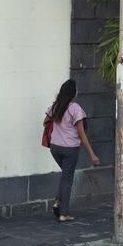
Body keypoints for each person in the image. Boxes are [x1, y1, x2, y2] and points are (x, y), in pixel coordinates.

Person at [44, 79, 100, 222]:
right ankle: (63, 213)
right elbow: (81, 134)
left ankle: (57, 201)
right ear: (73, 92)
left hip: (55, 148)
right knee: (68, 179)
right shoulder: (75, 108)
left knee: (65, 176)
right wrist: (92, 154)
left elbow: (45, 121)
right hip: (70, 149)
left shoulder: (55, 106)